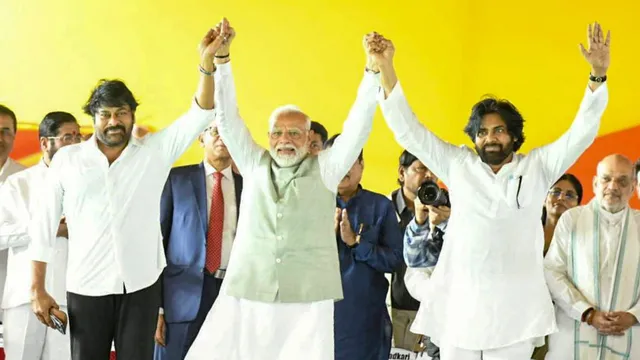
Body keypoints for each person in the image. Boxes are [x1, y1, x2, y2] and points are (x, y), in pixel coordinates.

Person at [373, 22, 611, 359]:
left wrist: (598, 75)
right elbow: (409, 131)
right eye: (483, 132)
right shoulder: (458, 164)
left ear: (514, 136)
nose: (490, 138)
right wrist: (386, 67)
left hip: (516, 314)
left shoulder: (538, 166)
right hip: (460, 311)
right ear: (474, 137)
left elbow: (582, 133)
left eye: (499, 130)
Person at [185, 20, 381, 360]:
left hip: (308, 298)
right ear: (269, 136)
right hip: (253, 291)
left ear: (309, 140)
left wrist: (372, 71)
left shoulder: (327, 168)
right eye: (278, 133)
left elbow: (358, 127)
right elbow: (227, 117)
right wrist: (223, 60)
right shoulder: (252, 161)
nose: (285, 140)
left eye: (294, 133)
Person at [28, 26, 225, 360]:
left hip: (141, 285)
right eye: (105, 114)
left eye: (121, 112)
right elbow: (43, 226)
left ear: (132, 116)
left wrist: (206, 63)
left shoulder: (154, 152)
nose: (113, 121)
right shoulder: (68, 160)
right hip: (86, 286)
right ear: (93, 118)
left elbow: (200, 114)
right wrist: (37, 287)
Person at [154, 121, 243, 360]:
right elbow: (157, 245)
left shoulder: (249, 184)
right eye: (214, 131)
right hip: (181, 298)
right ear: (201, 138)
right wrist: (157, 308)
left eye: (227, 130)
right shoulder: (176, 180)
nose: (221, 137)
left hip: (231, 295)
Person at [0, 112, 80, 360]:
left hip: (70, 296)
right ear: (45, 143)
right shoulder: (18, 183)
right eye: (68, 137)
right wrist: (48, 227)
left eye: (78, 137)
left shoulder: (88, 184)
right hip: (24, 297)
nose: (75, 144)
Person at [544, 154, 640, 359]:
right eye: (606, 179)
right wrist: (587, 313)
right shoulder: (572, 219)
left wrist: (633, 316)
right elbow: (552, 270)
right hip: (572, 337)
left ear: (633, 187)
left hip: (628, 339)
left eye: (622, 181)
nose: (613, 186)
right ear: (596, 183)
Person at [325, 134, 403, 360]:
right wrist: (325, 239)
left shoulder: (381, 206)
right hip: (320, 318)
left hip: (366, 322)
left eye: (350, 160)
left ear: (361, 165)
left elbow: (396, 261)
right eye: (336, 160)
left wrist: (357, 243)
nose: (343, 168)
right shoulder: (312, 204)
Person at [389, 150, 449, 357]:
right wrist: (420, 222)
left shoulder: (449, 207)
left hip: (440, 309)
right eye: (421, 168)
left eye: (433, 169)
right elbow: (413, 261)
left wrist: (446, 222)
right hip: (398, 306)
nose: (428, 175)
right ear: (402, 172)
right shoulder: (385, 208)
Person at [531, 173, 583, 359]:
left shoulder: (581, 243)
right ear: (545, 198)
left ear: (578, 206)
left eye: (570, 195)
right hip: (521, 314)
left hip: (558, 320)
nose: (561, 198)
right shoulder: (527, 232)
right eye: (556, 192)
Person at [0, 104, 27, 325]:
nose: (0, 137)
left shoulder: (26, 179)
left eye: (5, 131)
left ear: (14, 136)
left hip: (12, 290)